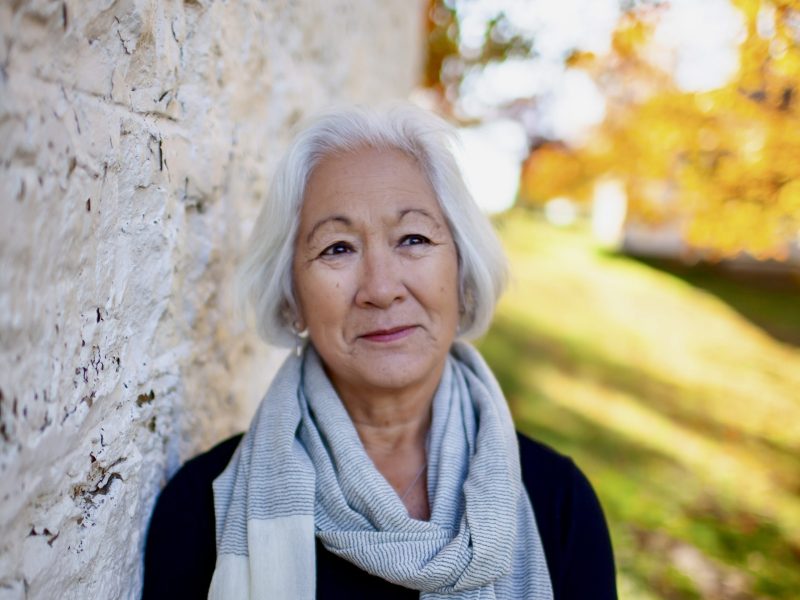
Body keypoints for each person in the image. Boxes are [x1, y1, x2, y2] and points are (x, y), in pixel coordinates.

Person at [142, 104, 617, 599]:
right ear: (292, 298)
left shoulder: (559, 504)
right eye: (338, 248)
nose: (382, 288)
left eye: (413, 239)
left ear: (461, 274)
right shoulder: (202, 509)